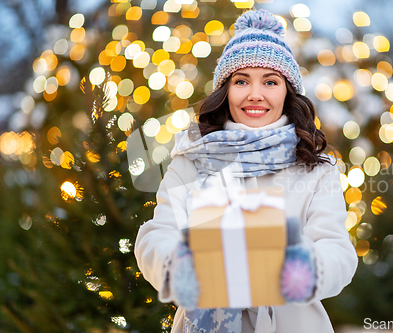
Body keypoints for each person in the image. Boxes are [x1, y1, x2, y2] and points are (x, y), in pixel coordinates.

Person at [134, 9, 358, 333]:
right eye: (242, 81)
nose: (255, 94)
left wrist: (300, 269)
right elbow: (158, 233)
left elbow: (337, 250)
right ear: (226, 91)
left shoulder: (316, 172)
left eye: (270, 81)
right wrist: (179, 266)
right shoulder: (192, 162)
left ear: (287, 91)